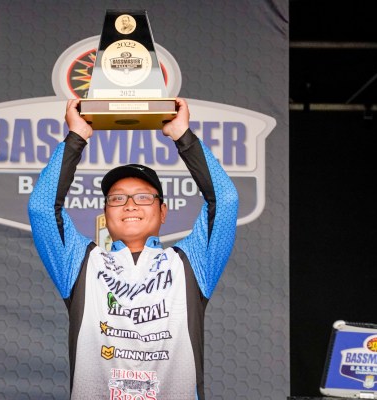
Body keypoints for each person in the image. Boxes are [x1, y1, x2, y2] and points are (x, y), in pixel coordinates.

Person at [28, 98, 238, 399]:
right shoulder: (81, 263)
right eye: (117, 198)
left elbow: (225, 202)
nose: (129, 205)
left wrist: (183, 136)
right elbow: (42, 208)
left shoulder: (191, 263)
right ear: (105, 213)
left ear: (163, 212)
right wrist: (76, 137)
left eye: (143, 197)